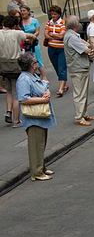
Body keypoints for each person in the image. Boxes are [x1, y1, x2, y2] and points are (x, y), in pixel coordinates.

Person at [16, 52, 55, 180]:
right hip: (33, 117)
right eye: (36, 62)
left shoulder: (32, 76)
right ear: (32, 65)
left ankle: (41, 167)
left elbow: (43, 87)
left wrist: (46, 94)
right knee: (35, 145)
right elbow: (24, 99)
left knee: (40, 143)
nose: (38, 63)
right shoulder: (24, 79)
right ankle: (37, 172)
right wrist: (43, 100)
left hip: (40, 116)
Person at [63, 15, 94, 127]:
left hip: (80, 67)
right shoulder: (72, 37)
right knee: (80, 93)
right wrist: (90, 49)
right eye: (78, 21)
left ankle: (84, 113)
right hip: (78, 68)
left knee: (83, 92)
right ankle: (79, 117)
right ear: (75, 25)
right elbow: (87, 50)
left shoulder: (72, 35)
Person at [3, 14, 34, 128]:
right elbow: (29, 35)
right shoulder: (16, 33)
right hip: (14, 65)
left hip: (3, 66)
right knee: (16, 93)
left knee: (9, 90)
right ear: (15, 25)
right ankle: (16, 120)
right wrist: (34, 37)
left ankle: (8, 111)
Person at [44, 6, 68, 97]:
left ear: (59, 14)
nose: (53, 15)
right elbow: (45, 35)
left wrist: (51, 34)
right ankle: (64, 84)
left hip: (61, 48)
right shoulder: (48, 23)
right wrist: (55, 36)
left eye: (55, 14)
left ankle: (61, 88)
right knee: (56, 66)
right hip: (51, 48)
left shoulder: (63, 23)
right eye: (52, 14)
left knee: (62, 67)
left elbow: (61, 36)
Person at [18, 6, 46, 81]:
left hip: (33, 43)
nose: (22, 12)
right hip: (23, 43)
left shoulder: (34, 21)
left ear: (28, 11)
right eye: (21, 11)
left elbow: (37, 31)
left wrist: (33, 36)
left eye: (24, 11)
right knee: (25, 60)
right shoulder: (19, 22)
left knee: (37, 58)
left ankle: (44, 76)